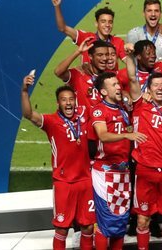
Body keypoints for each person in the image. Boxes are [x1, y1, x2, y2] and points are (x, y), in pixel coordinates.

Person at [21, 74, 95, 250]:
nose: (68, 103)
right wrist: (24, 90)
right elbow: (28, 114)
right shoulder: (51, 122)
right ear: (58, 103)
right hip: (64, 183)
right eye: (64, 100)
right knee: (62, 229)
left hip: (85, 180)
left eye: (71, 99)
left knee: (88, 227)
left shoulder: (83, 117)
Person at [124, 48, 162, 250]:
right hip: (145, 170)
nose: (159, 88)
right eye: (155, 85)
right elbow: (132, 78)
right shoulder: (140, 104)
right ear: (148, 89)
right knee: (143, 220)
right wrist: (129, 56)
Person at [90, 72, 147, 250]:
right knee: (105, 222)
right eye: (113, 85)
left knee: (120, 222)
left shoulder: (122, 109)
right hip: (105, 173)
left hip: (123, 172)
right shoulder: (99, 110)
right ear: (103, 91)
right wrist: (125, 135)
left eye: (118, 84)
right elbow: (102, 135)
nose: (118, 87)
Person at [51, 0, 126, 64]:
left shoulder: (118, 42)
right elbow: (63, 28)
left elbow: (127, 61)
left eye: (110, 22)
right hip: (89, 73)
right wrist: (57, 6)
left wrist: (130, 53)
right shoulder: (86, 38)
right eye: (103, 21)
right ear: (96, 23)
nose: (107, 25)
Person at [54, 39, 112, 111]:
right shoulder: (79, 74)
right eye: (100, 55)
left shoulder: (110, 76)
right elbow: (58, 72)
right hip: (83, 118)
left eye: (107, 54)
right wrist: (78, 52)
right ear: (90, 56)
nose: (104, 58)